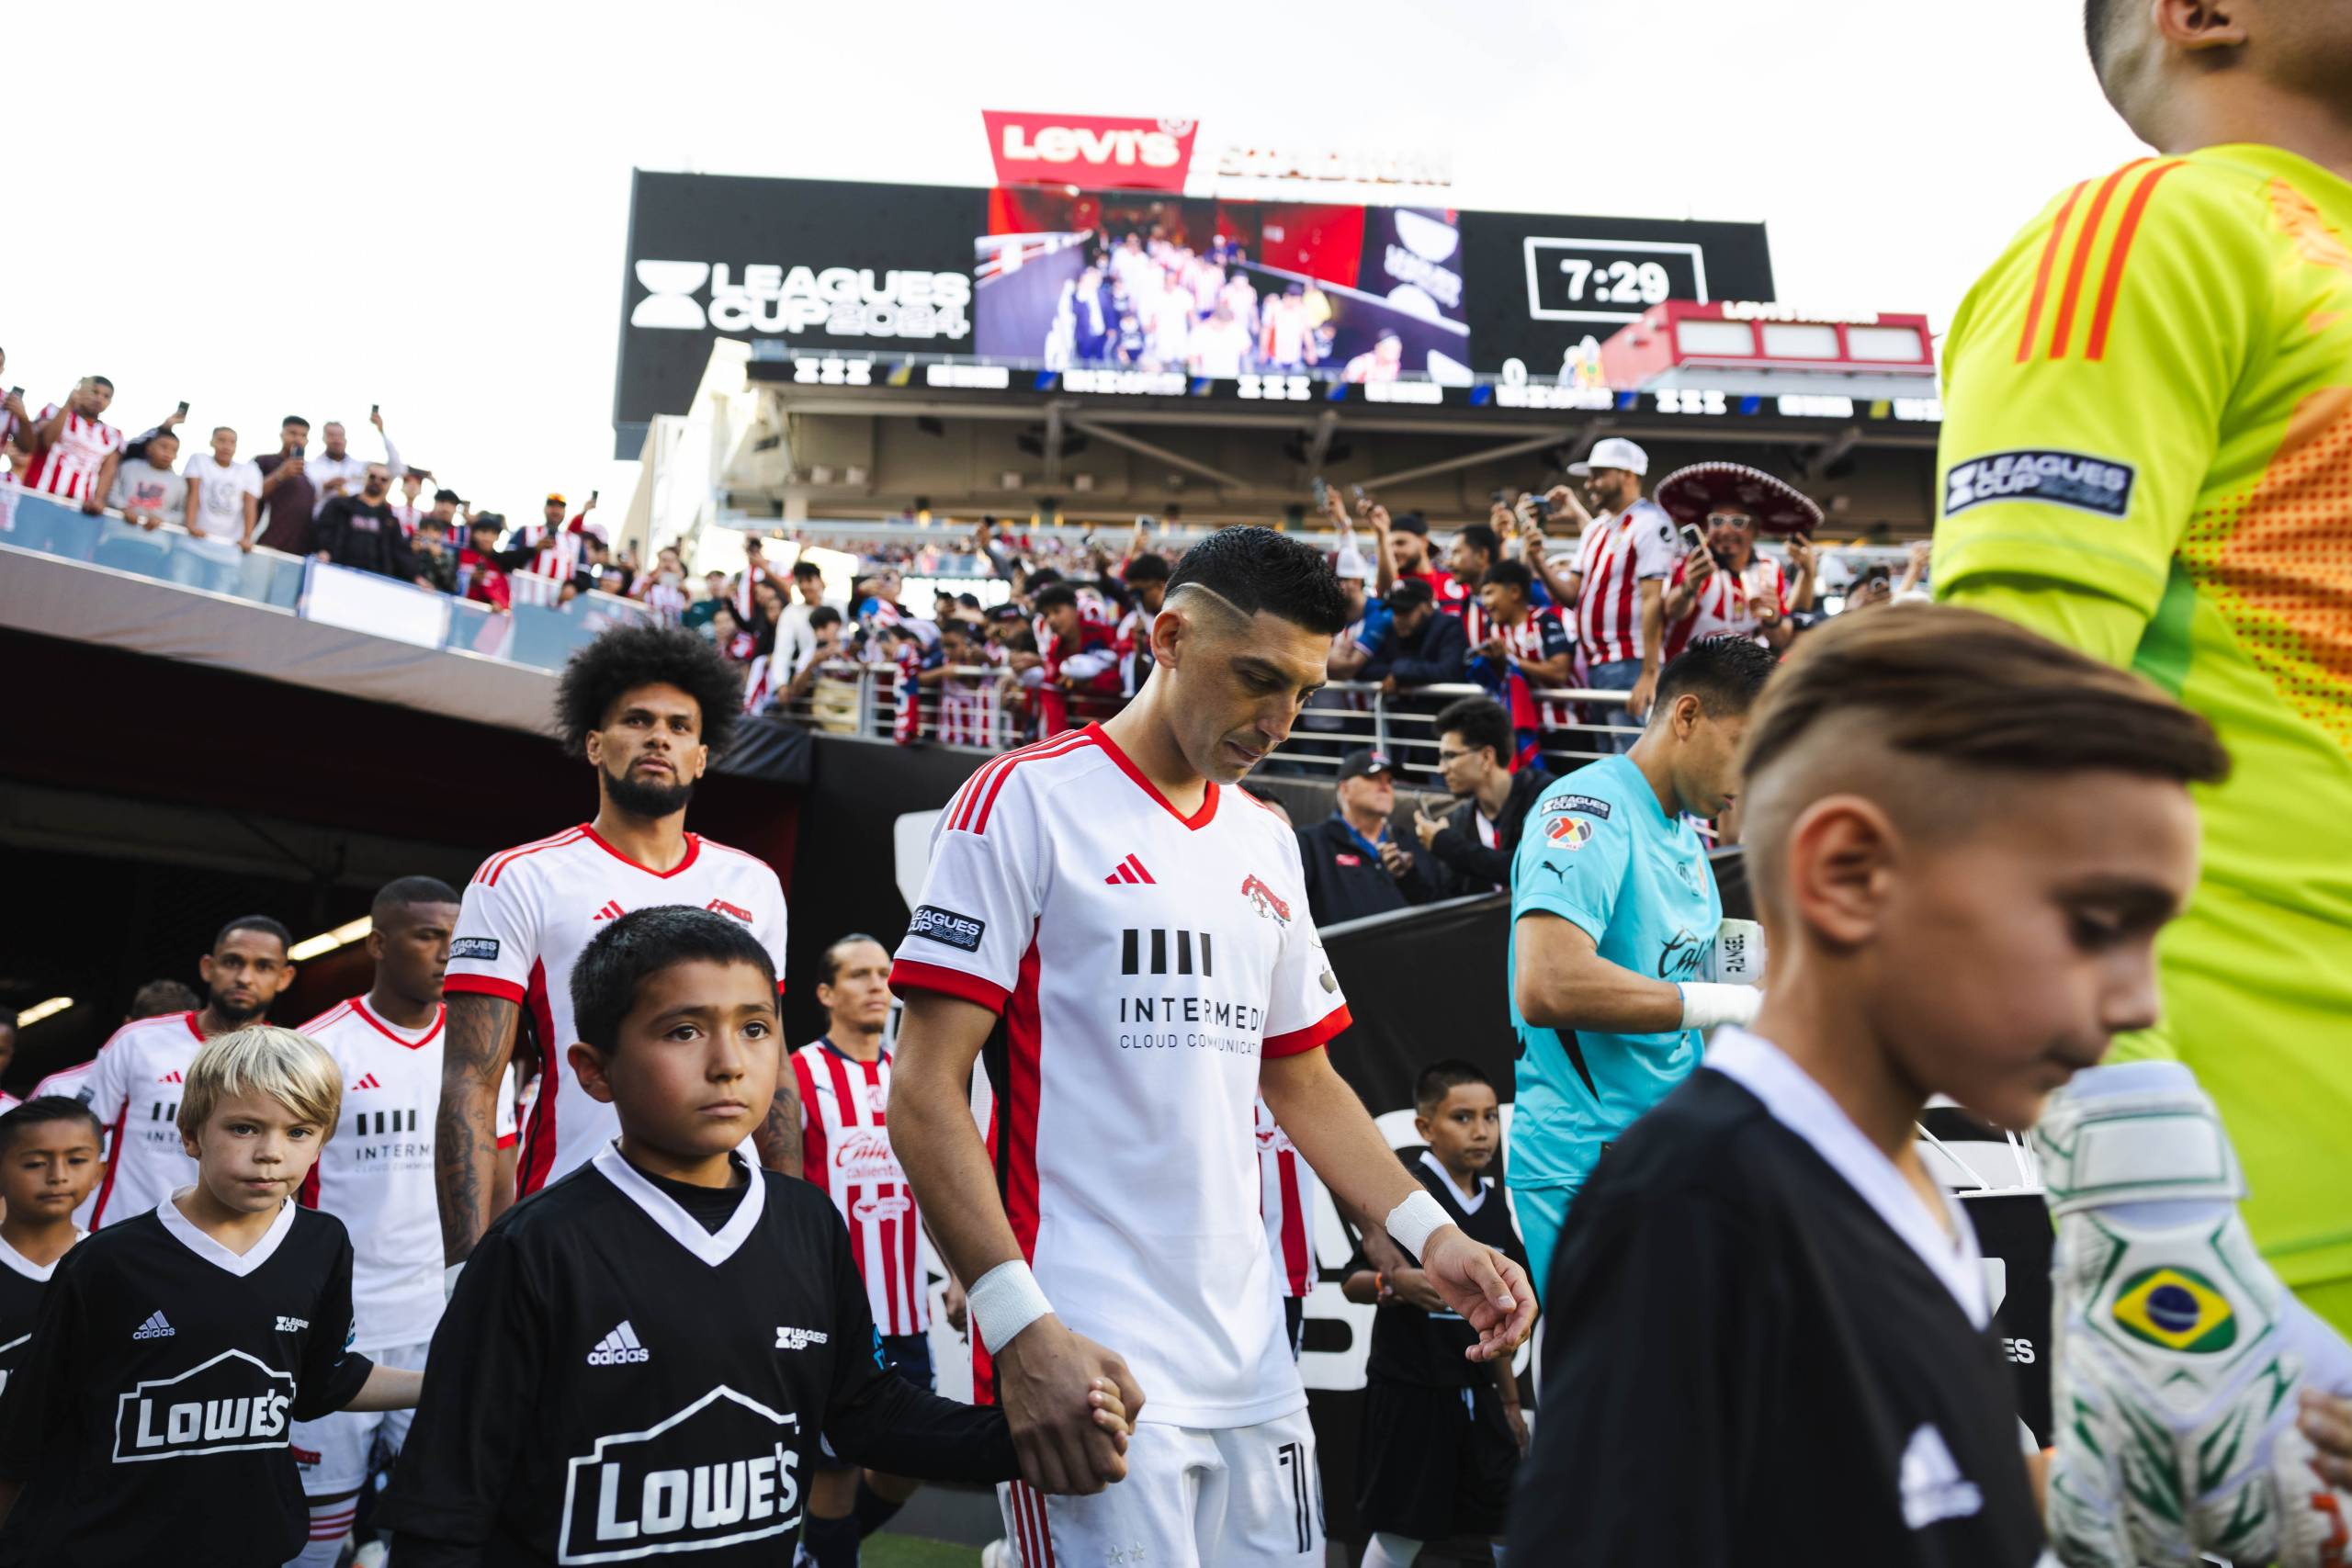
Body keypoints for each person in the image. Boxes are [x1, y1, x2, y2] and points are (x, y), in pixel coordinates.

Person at [1505, 604, 2245, 1565]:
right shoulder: (1690, 1214)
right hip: (1594, 1148)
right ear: (1848, 871)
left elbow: (1901, 1497)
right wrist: (1720, 1005)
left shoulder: (1899, 1186)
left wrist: (2173, 1475)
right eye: (2087, 922)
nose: (2136, 997)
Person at [888, 525, 1532, 1567]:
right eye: (1255, 679)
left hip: (1253, 1360)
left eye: (1304, 692)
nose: (1278, 720)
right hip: (1089, 1345)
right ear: (1169, 637)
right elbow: (922, 1091)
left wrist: (1437, 1240)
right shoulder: (1023, 802)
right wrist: (1019, 1329)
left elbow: (1304, 1081)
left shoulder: (1266, 837)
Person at [1930, 5, 2352, 1555]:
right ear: (2204, 13)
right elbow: (1996, 715)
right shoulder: (2165, 226)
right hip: (2274, 1226)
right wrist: (2146, 1187)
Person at [377, 908, 1128, 1564]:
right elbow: (445, 1506)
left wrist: (1035, 1433)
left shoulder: (805, 1222)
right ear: (594, 1070)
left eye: (756, 1027)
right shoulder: (532, 1250)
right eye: (683, 1030)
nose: (729, 1062)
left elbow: (869, 1413)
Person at [436, 626, 794, 1271]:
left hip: (731, 1227)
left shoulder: (755, 883)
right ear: (595, 744)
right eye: (638, 719)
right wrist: (463, 1268)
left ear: (702, 756)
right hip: (574, 1226)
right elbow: (470, 1079)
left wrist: (790, 1228)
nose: (660, 736)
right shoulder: (518, 876)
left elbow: (776, 1067)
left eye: (681, 726)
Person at [0, 1028, 421, 1565]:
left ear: (323, 1139)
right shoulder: (107, 1263)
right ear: (192, 1134)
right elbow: (22, 1438)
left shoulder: (323, 1242)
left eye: (298, 1132)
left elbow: (322, 1381)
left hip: (254, 1547)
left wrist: (451, 1381)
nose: (271, 1154)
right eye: (244, 1128)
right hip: (108, 1548)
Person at [1506, 637, 1778, 1293]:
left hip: (1667, 1154)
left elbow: (1696, 999)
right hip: (1589, 1162)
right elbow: (1548, 983)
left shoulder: (1686, 836)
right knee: (1616, 1386)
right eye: (1747, 745)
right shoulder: (1588, 808)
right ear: (1687, 716)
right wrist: (1732, 1003)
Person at [286, 877, 487, 1568]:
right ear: (377, 942)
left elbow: (497, 1171)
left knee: (431, 1515)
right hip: (344, 1320)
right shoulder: (317, 1047)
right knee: (317, 1528)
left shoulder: (477, 1045)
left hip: (442, 1320)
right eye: (429, 935)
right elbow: (285, 1189)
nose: (447, 953)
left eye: (457, 939)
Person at [792, 934, 967, 1567]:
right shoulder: (797, 1073)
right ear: (825, 993)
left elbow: (942, 1183)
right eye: (859, 974)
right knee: (834, 1476)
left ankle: (812, 1551)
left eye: (884, 973)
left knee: (906, 1462)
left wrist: (957, 1272)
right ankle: (826, 1551)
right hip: (832, 1314)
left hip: (904, 1314)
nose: (877, 984)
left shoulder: (913, 1075)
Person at [1341, 1062, 1529, 1568]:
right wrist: (1394, 1281)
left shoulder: (1495, 1207)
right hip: (1411, 1391)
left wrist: (1509, 1402)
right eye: (1463, 1117)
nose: (1481, 1130)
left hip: (1479, 1393)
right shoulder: (1407, 1197)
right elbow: (1353, 1282)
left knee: (1509, 1520)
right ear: (1424, 1127)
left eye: (1490, 1117)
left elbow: (1500, 1314)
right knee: (1403, 1530)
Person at [80, 915, 300, 1229]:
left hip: (231, 1246)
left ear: (285, 977)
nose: (245, 978)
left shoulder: (291, 1059)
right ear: (208, 967)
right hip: (126, 1240)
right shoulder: (137, 1041)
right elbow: (81, 1141)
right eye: (233, 962)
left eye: (263, 967)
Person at [1562, 438, 1678, 750]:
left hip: (1630, 661)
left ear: (1628, 474)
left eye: (1599, 474)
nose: (1590, 484)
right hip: (1596, 663)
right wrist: (1533, 554)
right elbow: (1571, 593)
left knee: (1630, 758)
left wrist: (1649, 673)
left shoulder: (1650, 523)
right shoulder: (1596, 528)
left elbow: (1653, 598)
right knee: (1608, 759)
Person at [1655, 461, 1822, 660]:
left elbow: (1781, 639)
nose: (1726, 531)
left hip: (1738, 680)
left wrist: (1773, 618)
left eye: (1737, 522)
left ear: (1756, 529)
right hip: (1686, 673)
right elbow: (1673, 612)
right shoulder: (1695, 561)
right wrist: (1690, 585)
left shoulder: (1769, 567)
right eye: (1717, 521)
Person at [0, 1099, 103, 1396]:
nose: (58, 1175)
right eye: (35, 1163)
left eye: (76, 1160)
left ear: (99, 1171)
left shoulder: (113, 1265)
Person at [1413, 696, 1555, 896]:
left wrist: (1450, 847)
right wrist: (1407, 876)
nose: (1441, 769)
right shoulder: (1458, 821)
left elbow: (1534, 870)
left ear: (1487, 757)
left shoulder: (1548, 799)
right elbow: (1446, 901)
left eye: (1450, 756)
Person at [1295, 749, 1439, 927]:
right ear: (1344, 789)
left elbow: (1434, 906)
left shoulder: (1411, 843)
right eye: (1372, 778)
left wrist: (1409, 876)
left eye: (1389, 780)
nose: (1385, 787)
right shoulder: (1310, 843)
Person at [17, 378, 123, 514]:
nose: (99, 398)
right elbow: (46, 441)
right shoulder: (52, 411)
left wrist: (98, 499)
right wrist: (69, 405)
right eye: (94, 392)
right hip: (38, 498)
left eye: (106, 396)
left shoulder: (113, 435)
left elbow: (107, 472)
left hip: (78, 511)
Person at [311, 462, 422, 583]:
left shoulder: (390, 520)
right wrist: (324, 550)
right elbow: (323, 531)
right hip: (336, 574)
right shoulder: (339, 506)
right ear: (364, 477)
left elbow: (400, 553)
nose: (377, 481)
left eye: (383, 479)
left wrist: (416, 577)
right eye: (372, 477)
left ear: (389, 484)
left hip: (374, 583)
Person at [1363, 578, 1470, 695]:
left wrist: (1403, 671)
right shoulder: (1391, 629)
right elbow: (1367, 669)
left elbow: (1450, 671)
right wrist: (1401, 673)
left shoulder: (1448, 627)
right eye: (1395, 611)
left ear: (1427, 606)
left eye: (1405, 611)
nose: (1398, 619)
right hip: (1399, 711)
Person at [182, 426, 262, 566]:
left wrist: (247, 538)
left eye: (232, 442)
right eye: (221, 440)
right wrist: (191, 525)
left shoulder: (250, 470)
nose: (226, 446)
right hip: (194, 543)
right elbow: (193, 493)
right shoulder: (199, 460)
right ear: (212, 442)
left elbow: (250, 505)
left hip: (228, 550)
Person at [306, 412, 403, 517]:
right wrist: (324, 488)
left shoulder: (361, 467)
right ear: (323, 438)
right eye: (331, 435)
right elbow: (304, 499)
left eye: (340, 435)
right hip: (323, 522)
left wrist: (382, 432)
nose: (336, 440)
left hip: (354, 524)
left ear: (346, 439)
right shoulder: (311, 467)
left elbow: (397, 469)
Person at [104, 427, 184, 532]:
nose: (168, 453)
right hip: (118, 530)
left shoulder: (179, 483)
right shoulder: (128, 467)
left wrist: (163, 519)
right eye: (163, 447)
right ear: (149, 448)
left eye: (174, 450)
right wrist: (123, 508)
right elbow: (111, 493)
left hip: (155, 539)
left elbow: (182, 514)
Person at [254, 417, 316, 554]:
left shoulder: (309, 474)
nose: (298, 439)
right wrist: (280, 475)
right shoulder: (264, 461)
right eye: (293, 433)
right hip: (264, 545)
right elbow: (251, 495)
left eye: (303, 435)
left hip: (295, 553)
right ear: (282, 434)